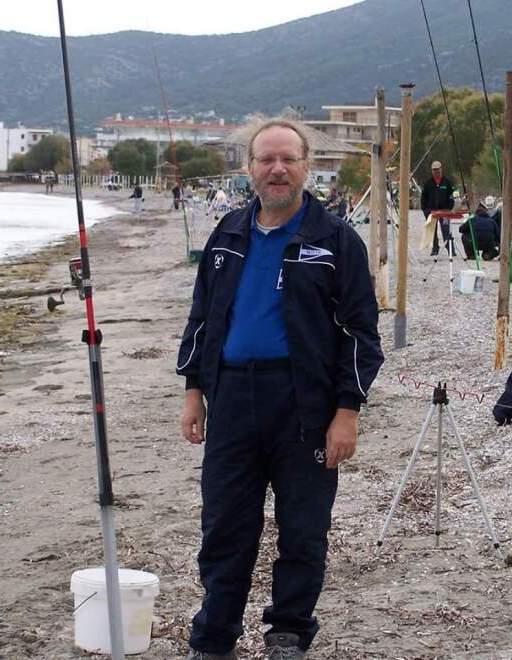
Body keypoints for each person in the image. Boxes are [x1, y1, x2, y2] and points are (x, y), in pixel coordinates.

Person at [176, 119, 383, 660]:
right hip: (232, 401)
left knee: (303, 528)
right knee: (225, 525)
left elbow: (361, 332)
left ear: (305, 166)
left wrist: (348, 411)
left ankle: (288, 632)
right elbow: (202, 318)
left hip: (305, 406)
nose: (277, 169)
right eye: (266, 160)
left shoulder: (336, 240)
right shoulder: (227, 236)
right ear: (249, 169)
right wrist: (194, 390)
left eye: (288, 159)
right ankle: (215, 637)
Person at [420, 160, 456, 256]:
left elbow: (452, 195)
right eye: (434, 170)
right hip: (431, 211)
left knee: (446, 230)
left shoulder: (447, 182)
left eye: (438, 169)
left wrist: (450, 207)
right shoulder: (428, 183)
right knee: (432, 231)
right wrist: (425, 210)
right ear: (432, 171)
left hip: (445, 211)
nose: (436, 172)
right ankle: (435, 248)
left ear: (441, 169)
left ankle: (450, 249)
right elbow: (423, 197)